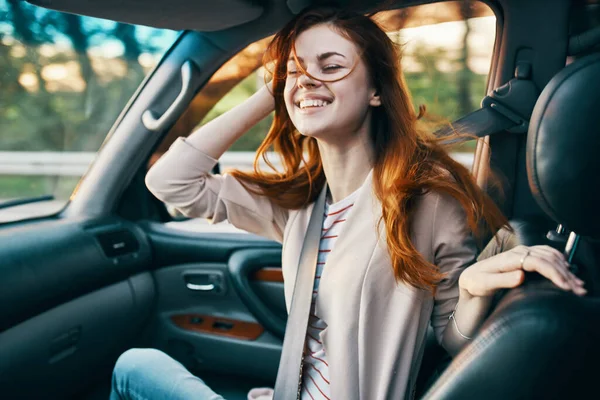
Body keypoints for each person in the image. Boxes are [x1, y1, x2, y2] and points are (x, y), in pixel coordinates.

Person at [110, 7, 586, 400]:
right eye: (295, 70)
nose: (307, 81)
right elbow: (170, 182)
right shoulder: (300, 202)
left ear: (376, 91)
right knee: (136, 363)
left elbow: (450, 338)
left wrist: (472, 289)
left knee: (133, 371)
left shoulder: (425, 201)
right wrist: (272, 91)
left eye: (331, 67)